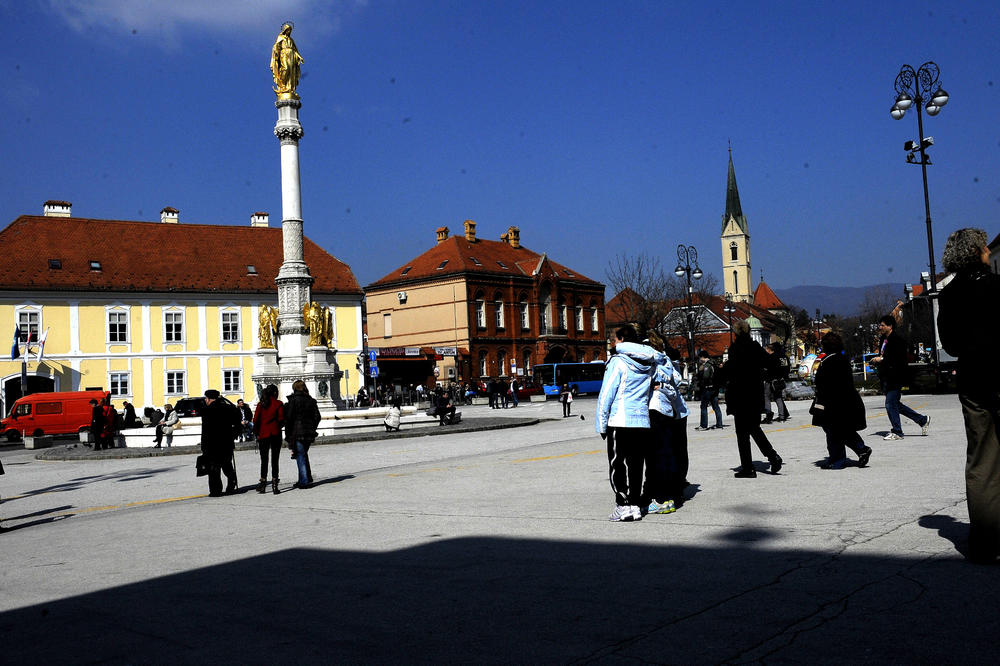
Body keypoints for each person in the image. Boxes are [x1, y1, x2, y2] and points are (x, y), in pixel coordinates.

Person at [937, 227, 1000, 564]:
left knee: (982, 460)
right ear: (977, 251)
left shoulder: (949, 294)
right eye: (985, 247)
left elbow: (949, 344)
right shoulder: (996, 285)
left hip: (973, 380)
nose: (989, 251)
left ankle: (985, 542)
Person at [595, 325, 657, 522]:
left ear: (621, 340)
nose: (614, 342)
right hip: (641, 420)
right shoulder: (648, 363)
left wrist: (601, 424)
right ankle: (635, 504)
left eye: (615, 339)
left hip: (620, 420)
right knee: (636, 464)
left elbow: (606, 394)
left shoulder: (618, 362)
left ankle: (623, 504)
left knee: (617, 463)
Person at [720, 320, 782, 478]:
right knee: (754, 428)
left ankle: (748, 467)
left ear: (735, 333)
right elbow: (771, 363)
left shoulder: (734, 349)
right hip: (754, 394)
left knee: (742, 433)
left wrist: (722, 370)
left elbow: (730, 371)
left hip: (739, 395)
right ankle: (772, 456)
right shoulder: (755, 347)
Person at [642, 333, 689, 515]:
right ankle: (673, 494)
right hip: (671, 411)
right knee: (672, 453)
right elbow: (677, 381)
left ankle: (660, 497)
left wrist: (658, 386)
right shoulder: (666, 360)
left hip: (656, 409)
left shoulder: (650, 361)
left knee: (656, 455)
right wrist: (664, 386)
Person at [811, 332, 872, 469]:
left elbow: (826, 383)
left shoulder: (829, 361)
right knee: (842, 430)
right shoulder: (841, 359)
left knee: (834, 431)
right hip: (845, 400)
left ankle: (838, 459)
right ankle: (861, 449)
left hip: (834, 402)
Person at [870, 314, 929, 440]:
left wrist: (881, 360)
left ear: (890, 326)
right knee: (896, 405)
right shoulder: (883, 340)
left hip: (895, 377)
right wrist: (877, 361)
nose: (880, 327)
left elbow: (898, 360)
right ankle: (922, 420)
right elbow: (884, 356)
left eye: (882, 325)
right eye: (880, 325)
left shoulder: (897, 340)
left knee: (890, 404)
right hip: (886, 377)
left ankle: (897, 432)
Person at [200, 390, 240, 497]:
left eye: (206, 398)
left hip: (211, 443)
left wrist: (203, 446)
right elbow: (237, 419)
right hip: (226, 442)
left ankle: (215, 490)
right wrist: (234, 434)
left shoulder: (207, 410)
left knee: (213, 468)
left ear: (208, 399)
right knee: (226, 464)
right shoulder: (228, 408)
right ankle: (232, 482)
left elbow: (205, 430)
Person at [284, 380, 321, 489]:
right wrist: (312, 426)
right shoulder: (311, 400)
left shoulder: (293, 400)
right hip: (309, 432)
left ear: (294, 388)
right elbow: (317, 417)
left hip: (297, 431)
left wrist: (288, 433)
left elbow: (289, 418)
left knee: (300, 455)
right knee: (303, 454)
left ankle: (304, 481)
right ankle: (306, 478)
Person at [253, 385, 284, 494]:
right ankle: (275, 484)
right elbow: (281, 418)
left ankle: (263, 483)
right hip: (275, 433)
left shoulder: (261, 404)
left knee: (264, 460)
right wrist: (278, 426)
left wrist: (257, 432)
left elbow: (255, 420)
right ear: (275, 393)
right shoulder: (278, 403)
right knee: (275, 459)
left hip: (263, 434)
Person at [695, 350, 724, 430]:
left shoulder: (707, 365)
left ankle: (704, 425)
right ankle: (719, 424)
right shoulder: (713, 363)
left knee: (703, 406)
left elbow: (706, 376)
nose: (699, 359)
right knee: (716, 406)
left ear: (703, 357)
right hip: (715, 388)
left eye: (700, 357)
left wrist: (701, 381)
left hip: (708, 388)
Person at [762, 343, 790, 423]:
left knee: (766, 397)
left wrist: (765, 376)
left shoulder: (771, 357)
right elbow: (787, 367)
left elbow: (767, 369)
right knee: (778, 397)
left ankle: (768, 416)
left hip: (771, 380)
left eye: (766, 349)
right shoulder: (784, 357)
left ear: (769, 349)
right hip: (780, 380)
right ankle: (782, 416)